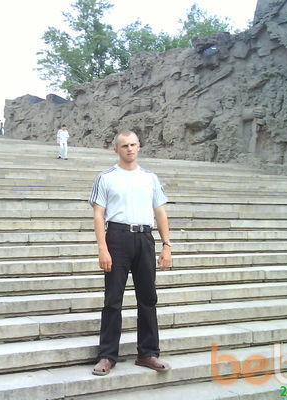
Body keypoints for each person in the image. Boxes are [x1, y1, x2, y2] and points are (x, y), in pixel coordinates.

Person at [88, 130, 172, 376]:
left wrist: (167, 245)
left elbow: (160, 213)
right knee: (113, 299)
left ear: (139, 146)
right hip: (117, 237)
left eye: (133, 144)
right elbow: (98, 215)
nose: (130, 149)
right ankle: (107, 355)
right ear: (116, 149)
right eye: (124, 145)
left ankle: (148, 353)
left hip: (145, 238)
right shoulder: (106, 178)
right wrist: (103, 248)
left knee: (148, 298)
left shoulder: (150, 178)